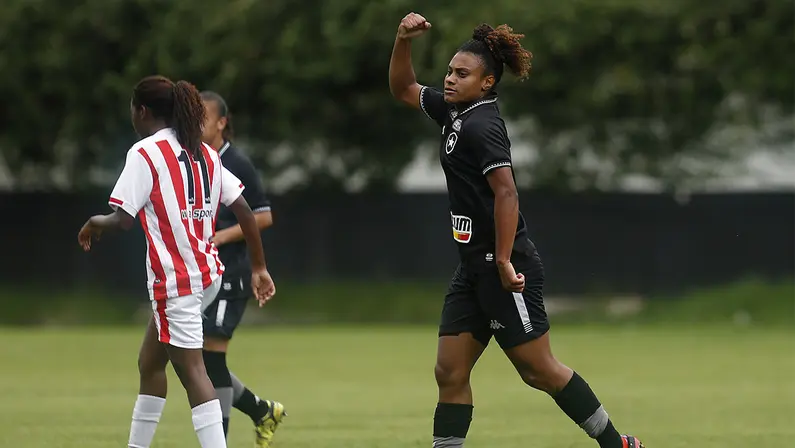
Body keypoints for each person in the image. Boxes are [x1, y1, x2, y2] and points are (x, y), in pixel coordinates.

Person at [388, 13, 644, 448]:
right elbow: (403, 89)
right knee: (449, 371)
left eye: (461, 74)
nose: (449, 79)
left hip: (507, 268)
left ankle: (616, 443)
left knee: (538, 370)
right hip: (472, 269)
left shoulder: (483, 125)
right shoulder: (455, 110)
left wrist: (505, 260)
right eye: (449, 71)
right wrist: (402, 41)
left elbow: (507, 193)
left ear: (487, 83)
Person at [77, 75, 276, 448]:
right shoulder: (205, 152)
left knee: (194, 372)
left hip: (177, 283)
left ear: (141, 111)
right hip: (207, 276)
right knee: (150, 364)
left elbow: (121, 218)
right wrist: (259, 267)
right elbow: (246, 211)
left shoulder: (145, 152)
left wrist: (93, 223)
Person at [198, 90, 286, 447]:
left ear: (222, 123)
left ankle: (220, 439)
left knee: (211, 360)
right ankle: (262, 410)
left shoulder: (235, 161)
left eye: (203, 116)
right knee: (197, 362)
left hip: (231, 272)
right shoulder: (193, 159)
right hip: (203, 275)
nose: (195, 122)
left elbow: (263, 216)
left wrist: (219, 237)